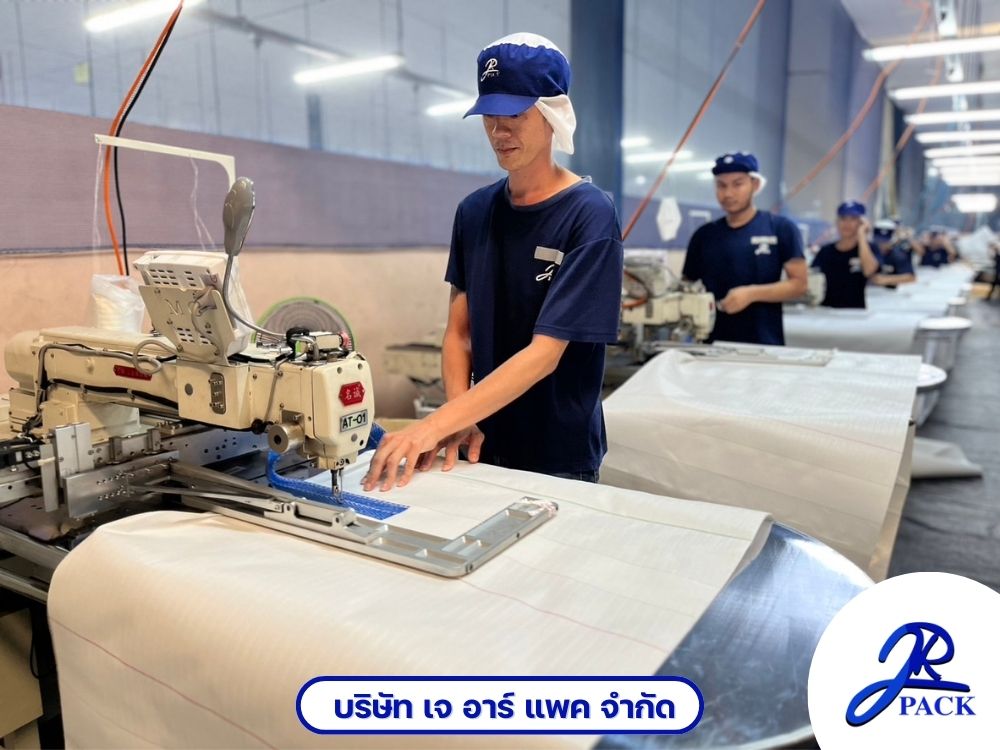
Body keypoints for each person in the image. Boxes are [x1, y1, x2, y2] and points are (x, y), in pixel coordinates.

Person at [363, 33, 623, 492]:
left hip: (558, 454)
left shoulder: (589, 215)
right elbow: (459, 333)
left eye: (515, 116)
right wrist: (458, 419)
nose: (499, 133)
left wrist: (432, 425)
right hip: (479, 443)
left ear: (551, 114)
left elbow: (545, 354)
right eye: (490, 117)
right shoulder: (474, 212)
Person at [681, 152, 807, 344]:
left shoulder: (779, 228)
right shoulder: (704, 235)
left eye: (737, 184)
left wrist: (751, 294)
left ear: (754, 185)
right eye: (721, 185)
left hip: (763, 344)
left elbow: (799, 285)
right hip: (710, 345)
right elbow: (686, 285)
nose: (728, 193)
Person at [810, 201, 881, 308]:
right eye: (843, 219)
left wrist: (862, 235)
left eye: (853, 219)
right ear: (837, 222)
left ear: (861, 223)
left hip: (855, 312)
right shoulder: (825, 251)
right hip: (826, 310)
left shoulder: (869, 249)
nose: (847, 224)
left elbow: (869, 271)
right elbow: (813, 277)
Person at [870, 220, 916, 288]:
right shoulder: (867, 250)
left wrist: (886, 279)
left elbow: (911, 277)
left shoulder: (898, 254)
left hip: (887, 291)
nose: (882, 244)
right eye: (879, 241)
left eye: (885, 241)